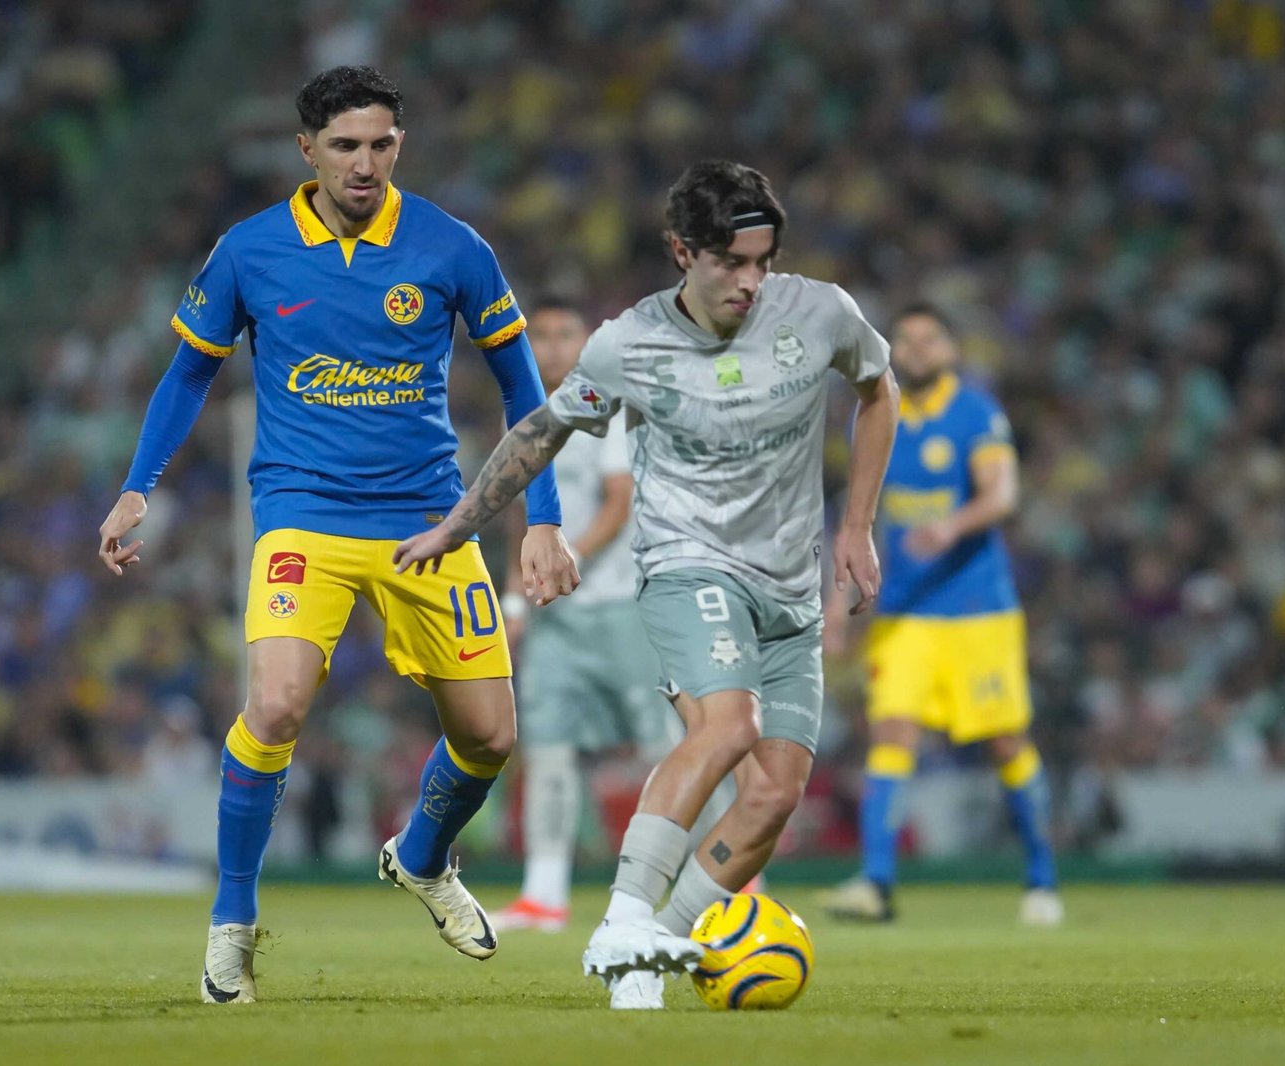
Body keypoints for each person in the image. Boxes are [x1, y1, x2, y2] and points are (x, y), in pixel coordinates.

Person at [96, 65, 576, 1005]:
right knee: (273, 707)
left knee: (488, 740)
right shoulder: (250, 249)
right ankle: (233, 921)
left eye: (383, 144)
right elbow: (189, 374)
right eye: (347, 145)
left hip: (431, 523)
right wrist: (135, 490)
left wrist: (542, 520)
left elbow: (525, 392)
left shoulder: (452, 246)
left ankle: (425, 856)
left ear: (401, 144)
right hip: (301, 514)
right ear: (306, 148)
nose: (366, 163)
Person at [393, 159, 900, 1008]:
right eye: (730, 263)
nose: (751, 281)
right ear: (681, 251)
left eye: (762, 262)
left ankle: (652, 946)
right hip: (686, 566)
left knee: (775, 794)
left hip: (790, 586)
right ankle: (623, 913)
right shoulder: (628, 343)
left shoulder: (821, 313)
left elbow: (878, 391)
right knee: (727, 728)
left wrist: (855, 525)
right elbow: (542, 430)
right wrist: (457, 527)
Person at [819, 303, 1062, 927]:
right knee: (891, 735)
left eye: (930, 338)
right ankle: (877, 884)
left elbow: (1001, 492)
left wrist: (951, 526)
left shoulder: (975, 411)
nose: (918, 348)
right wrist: (838, 606)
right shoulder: (875, 414)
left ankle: (1041, 876)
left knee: (1006, 741)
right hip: (903, 615)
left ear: (951, 349)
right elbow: (856, 515)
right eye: (906, 338)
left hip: (978, 610)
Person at [494, 298, 676, 934]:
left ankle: (710, 878)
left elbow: (618, 503)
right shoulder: (525, 415)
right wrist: (519, 596)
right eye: (537, 335)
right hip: (555, 615)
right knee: (547, 746)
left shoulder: (610, 409)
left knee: (665, 747)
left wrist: (565, 557)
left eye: (563, 333)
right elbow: (522, 516)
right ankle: (544, 894)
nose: (548, 346)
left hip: (622, 605)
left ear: (586, 340)